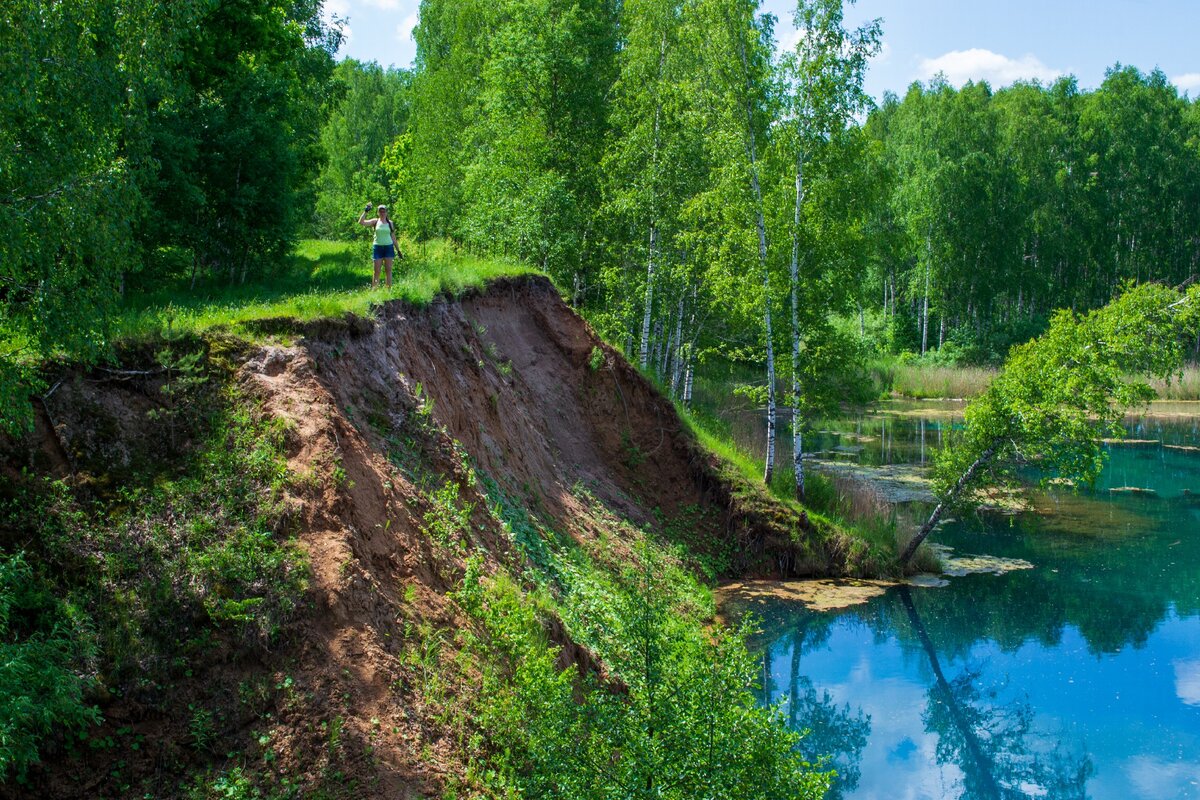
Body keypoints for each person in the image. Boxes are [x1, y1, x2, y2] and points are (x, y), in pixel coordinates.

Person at [358, 203, 400, 288]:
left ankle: (388, 291)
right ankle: (374, 291)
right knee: (376, 271)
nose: (382, 213)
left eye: (384, 211)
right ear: (378, 212)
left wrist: (398, 250)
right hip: (377, 248)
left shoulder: (390, 223)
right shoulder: (375, 221)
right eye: (380, 211)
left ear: (386, 212)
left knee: (388, 270)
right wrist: (366, 211)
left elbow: (393, 237)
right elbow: (361, 222)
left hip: (388, 247)